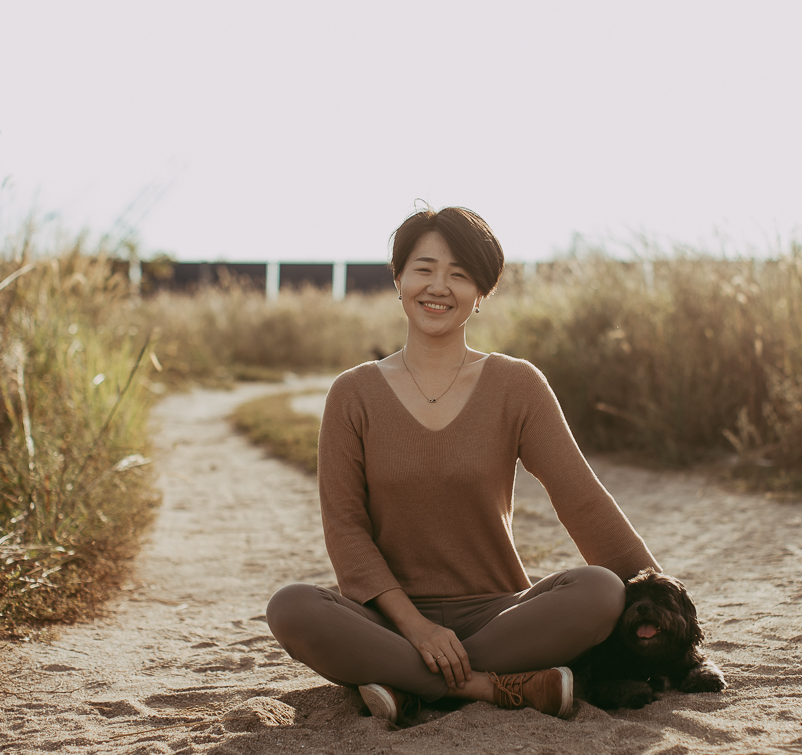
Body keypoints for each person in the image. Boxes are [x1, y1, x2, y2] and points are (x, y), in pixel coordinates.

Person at [266, 205, 660, 723]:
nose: (438, 286)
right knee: (290, 606)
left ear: (480, 294)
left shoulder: (517, 385)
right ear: (399, 279)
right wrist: (418, 628)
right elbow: (346, 532)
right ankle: (492, 688)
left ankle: (404, 684)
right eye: (424, 269)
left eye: (459, 274)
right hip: (386, 618)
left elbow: (581, 500)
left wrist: (665, 604)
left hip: (500, 616)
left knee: (601, 590)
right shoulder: (352, 394)